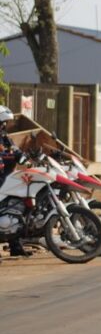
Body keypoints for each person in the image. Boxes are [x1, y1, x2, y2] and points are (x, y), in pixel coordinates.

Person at [0, 106, 26, 257]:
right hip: (2, 178)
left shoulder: (4, 137)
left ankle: (15, 245)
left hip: (8, 178)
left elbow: (14, 150)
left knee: (16, 207)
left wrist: (23, 156)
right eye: (3, 122)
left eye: (5, 123)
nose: (4, 125)